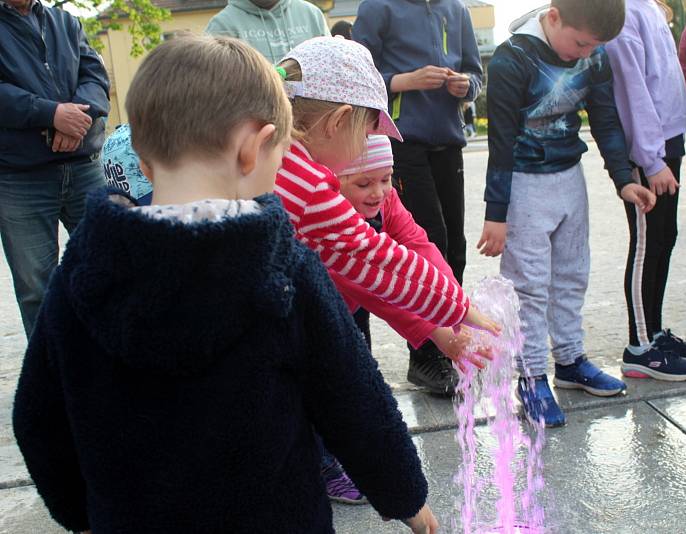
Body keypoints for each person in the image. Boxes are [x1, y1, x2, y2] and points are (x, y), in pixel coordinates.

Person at [12, 34, 439, 534]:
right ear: (254, 149)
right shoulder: (285, 271)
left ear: (144, 161)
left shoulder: (81, 273)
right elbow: (355, 401)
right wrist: (407, 498)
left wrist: (77, 511)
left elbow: (38, 415)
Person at [276, 36, 498, 398]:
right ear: (338, 121)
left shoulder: (271, 151)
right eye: (365, 134)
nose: (365, 148)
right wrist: (457, 311)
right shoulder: (311, 186)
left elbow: (414, 245)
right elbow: (377, 264)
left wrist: (447, 318)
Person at [477, 0, 657, 427]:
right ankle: (531, 375)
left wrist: (622, 178)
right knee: (530, 285)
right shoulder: (512, 59)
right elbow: (500, 141)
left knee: (573, 273)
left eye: (593, 47)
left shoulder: (594, 54)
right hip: (524, 183)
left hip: (569, 178)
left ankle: (571, 359)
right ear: (553, 16)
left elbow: (605, 118)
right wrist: (496, 213)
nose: (585, 54)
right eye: (580, 43)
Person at [353, 0, 484, 395]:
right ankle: (425, 356)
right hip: (401, 142)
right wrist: (401, 81)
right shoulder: (378, 7)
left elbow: (477, 73)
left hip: (448, 140)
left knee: (454, 249)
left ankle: (451, 347)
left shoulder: (456, 10)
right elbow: (357, 72)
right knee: (427, 242)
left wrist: (467, 85)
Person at [604, 0, 686, 382]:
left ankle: (656, 332)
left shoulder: (646, 6)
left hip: (668, 137)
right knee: (647, 243)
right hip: (648, 148)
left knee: (665, 236)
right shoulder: (624, 12)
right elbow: (631, 90)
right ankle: (640, 346)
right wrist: (650, 159)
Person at [0, 0, 109, 337]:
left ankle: (114, 366)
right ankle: (51, 377)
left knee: (110, 267)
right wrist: (49, 113)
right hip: (20, 177)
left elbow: (95, 78)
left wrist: (75, 119)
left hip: (84, 168)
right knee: (37, 290)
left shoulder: (67, 21)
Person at [206, 0, 329, 64]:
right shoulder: (222, 25)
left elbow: (331, 65)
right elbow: (216, 82)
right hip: (255, 111)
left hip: (312, 110)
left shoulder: (311, 14)